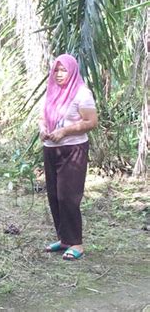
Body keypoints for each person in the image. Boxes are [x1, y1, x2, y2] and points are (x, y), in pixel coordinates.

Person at [39, 53, 98, 260]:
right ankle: (64, 239)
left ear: (72, 71)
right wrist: (42, 129)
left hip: (73, 149)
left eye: (63, 70)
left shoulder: (82, 93)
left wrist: (65, 131)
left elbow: (91, 121)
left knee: (68, 196)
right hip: (50, 148)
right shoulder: (51, 91)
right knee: (54, 195)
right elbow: (42, 117)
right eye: (56, 70)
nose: (59, 74)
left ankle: (76, 243)